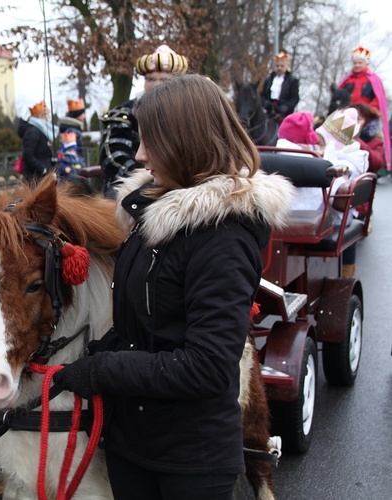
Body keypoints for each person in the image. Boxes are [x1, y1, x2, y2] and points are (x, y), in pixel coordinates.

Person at [52, 74, 294, 499]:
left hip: (190, 461)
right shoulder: (149, 217)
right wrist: (76, 361)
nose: (141, 155)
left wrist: (103, 371)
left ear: (187, 142)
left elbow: (207, 366)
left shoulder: (224, 238)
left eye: (151, 142)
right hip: (134, 445)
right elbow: (138, 331)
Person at [100, 44, 188, 196]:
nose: (156, 85)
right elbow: (113, 157)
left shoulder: (186, 114)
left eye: (164, 80)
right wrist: (146, 178)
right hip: (129, 184)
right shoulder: (123, 114)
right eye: (150, 79)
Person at [315, 107, 368, 278]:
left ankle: (346, 274)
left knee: (346, 225)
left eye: (323, 140)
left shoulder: (349, 162)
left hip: (336, 214)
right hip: (321, 210)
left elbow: (336, 191)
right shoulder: (323, 154)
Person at [338, 46, 390, 171]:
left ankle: (376, 163)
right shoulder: (347, 81)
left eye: (360, 62)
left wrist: (368, 112)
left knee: (376, 138)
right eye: (355, 63)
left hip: (368, 118)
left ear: (366, 63)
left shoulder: (373, 79)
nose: (357, 65)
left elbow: (378, 99)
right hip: (350, 117)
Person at [17, 100, 59, 183]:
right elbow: (28, 155)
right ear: (40, 115)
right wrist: (43, 169)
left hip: (44, 176)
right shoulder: (33, 132)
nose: (49, 117)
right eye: (47, 114)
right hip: (35, 178)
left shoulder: (41, 131)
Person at [260, 51, 300, 123]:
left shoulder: (293, 81)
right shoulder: (269, 80)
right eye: (277, 66)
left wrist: (285, 107)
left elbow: (294, 98)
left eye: (282, 66)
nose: (279, 68)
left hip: (285, 114)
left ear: (286, 66)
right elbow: (263, 95)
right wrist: (266, 104)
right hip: (269, 113)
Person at [350, 102, 385, 173]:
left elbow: (377, 163)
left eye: (358, 119)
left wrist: (355, 138)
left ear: (368, 122)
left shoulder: (376, 141)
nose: (353, 122)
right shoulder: (338, 133)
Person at [58, 98, 88, 168]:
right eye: (82, 113)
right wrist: (81, 166)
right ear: (77, 114)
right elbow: (70, 153)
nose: (84, 116)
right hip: (75, 167)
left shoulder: (73, 129)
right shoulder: (72, 131)